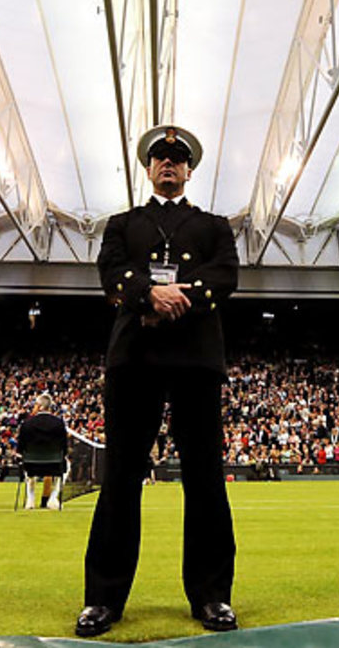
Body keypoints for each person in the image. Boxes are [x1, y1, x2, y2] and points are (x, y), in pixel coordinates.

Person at [77, 125, 239, 638]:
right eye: (160, 157)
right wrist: (149, 295)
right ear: (148, 169)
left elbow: (226, 277)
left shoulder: (214, 226)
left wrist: (175, 301)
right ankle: (103, 600)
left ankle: (212, 596)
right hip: (135, 357)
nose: (168, 164)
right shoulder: (122, 224)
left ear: (190, 170)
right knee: (121, 478)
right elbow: (111, 273)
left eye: (178, 158)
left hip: (195, 357)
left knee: (206, 479)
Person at [17, 393, 68, 509]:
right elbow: (64, 447)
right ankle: (53, 497)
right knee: (67, 467)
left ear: (39, 406)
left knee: (29, 475)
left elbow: (20, 448)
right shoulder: (59, 423)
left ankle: (30, 500)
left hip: (31, 465)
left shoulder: (27, 424)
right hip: (54, 465)